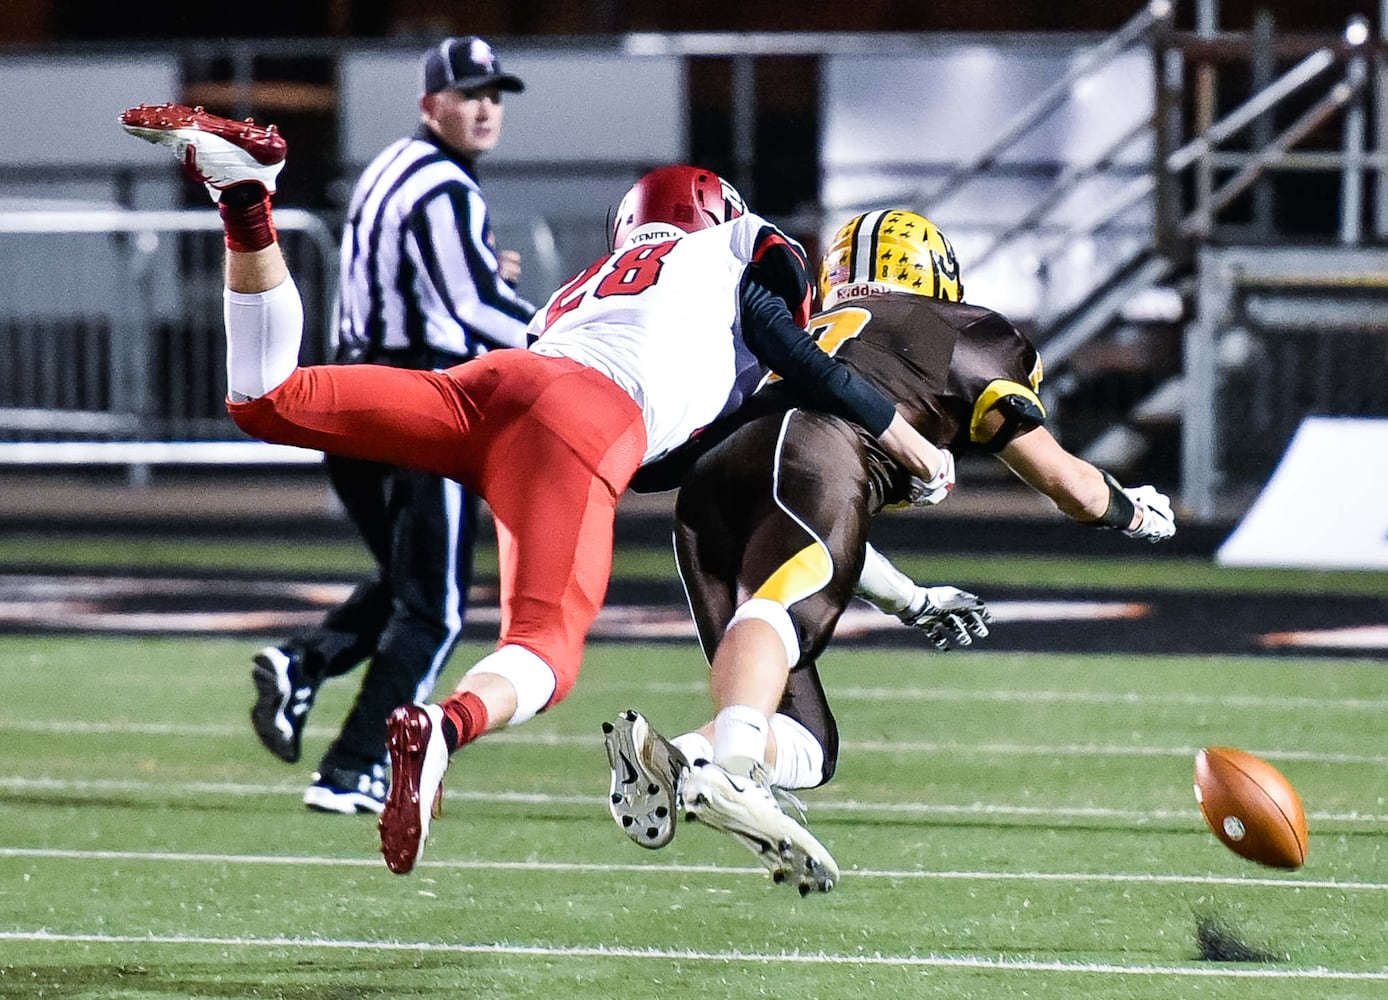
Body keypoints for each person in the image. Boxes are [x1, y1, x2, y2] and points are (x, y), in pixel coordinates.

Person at [118, 106, 957, 876]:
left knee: (266, 398)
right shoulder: (734, 248)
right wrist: (898, 430)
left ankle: (247, 201)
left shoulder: (583, 288)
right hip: (581, 422)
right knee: (547, 652)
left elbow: (657, 459)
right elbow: (785, 344)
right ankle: (442, 731)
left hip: (496, 388)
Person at [602, 208, 1177, 893]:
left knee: (809, 741)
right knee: (780, 609)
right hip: (810, 462)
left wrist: (913, 599)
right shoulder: (960, 331)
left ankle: (685, 760)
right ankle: (730, 774)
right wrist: (1136, 512)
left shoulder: (806, 334)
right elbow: (1069, 485)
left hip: (708, 489)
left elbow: (803, 539)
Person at [248, 36, 537, 815]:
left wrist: (483, 274)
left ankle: (305, 663)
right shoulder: (445, 185)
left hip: (356, 400)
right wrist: (568, 338)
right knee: (436, 607)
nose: (485, 107)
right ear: (429, 103)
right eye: (470, 92)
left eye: (494, 94)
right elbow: (474, 306)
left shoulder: (391, 166)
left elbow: (442, 279)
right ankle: (354, 768)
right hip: (419, 405)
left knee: (413, 582)